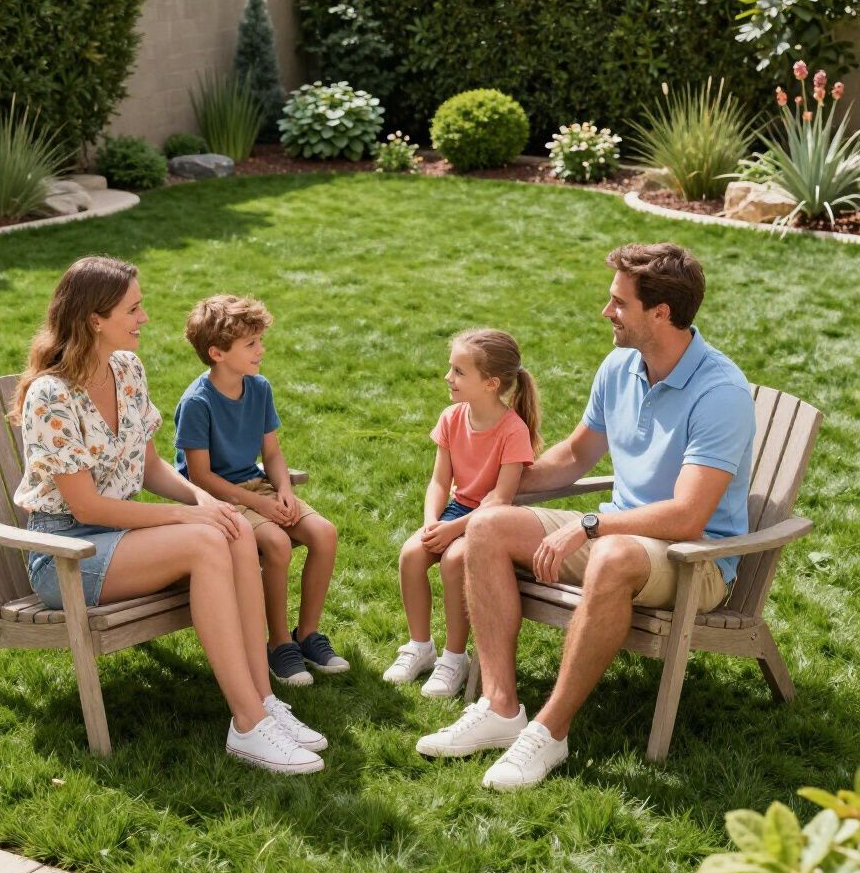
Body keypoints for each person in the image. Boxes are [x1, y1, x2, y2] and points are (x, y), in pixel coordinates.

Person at [416, 243, 755, 791]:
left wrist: (593, 525)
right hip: (620, 534)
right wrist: (502, 480)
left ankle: (549, 732)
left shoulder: (720, 394)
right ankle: (501, 708)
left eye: (618, 303)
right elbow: (576, 456)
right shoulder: (621, 366)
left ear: (660, 314)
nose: (606, 312)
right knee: (487, 526)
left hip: (695, 561)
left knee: (616, 554)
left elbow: (689, 516)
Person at [10, 256, 327, 775]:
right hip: (68, 554)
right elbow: (85, 506)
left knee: (235, 532)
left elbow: (152, 464)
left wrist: (207, 503)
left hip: (123, 537)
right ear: (95, 319)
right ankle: (247, 726)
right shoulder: (52, 394)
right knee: (205, 542)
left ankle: (264, 703)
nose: (145, 317)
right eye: (133, 308)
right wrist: (187, 521)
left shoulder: (127, 370)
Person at [175, 294, 347, 687]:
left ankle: (307, 635)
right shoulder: (197, 403)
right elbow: (200, 476)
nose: (261, 350)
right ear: (217, 353)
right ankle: (278, 644)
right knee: (278, 543)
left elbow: (272, 451)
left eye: (259, 340)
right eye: (250, 344)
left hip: (260, 487)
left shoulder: (259, 388)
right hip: (221, 498)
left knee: (324, 533)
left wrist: (283, 491)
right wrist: (259, 506)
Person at [383, 329, 539, 698]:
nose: (448, 377)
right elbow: (439, 481)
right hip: (455, 512)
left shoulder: (512, 430)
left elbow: (500, 500)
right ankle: (420, 647)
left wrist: (453, 531)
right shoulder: (452, 418)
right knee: (411, 554)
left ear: (490, 383)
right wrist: (431, 522)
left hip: (490, 521)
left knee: (454, 561)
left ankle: (455, 658)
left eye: (458, 371)